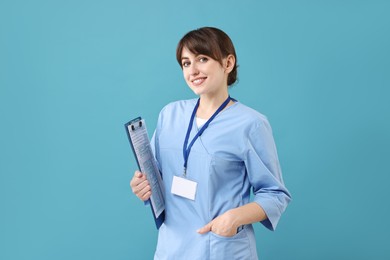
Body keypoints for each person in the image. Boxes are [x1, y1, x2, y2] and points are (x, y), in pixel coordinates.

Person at [130, 27, 291, 260]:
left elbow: (275, 195)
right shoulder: (170, 115)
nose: (193, 70)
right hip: (172, 249)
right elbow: (156, 176)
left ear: (228, 63)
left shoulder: (251, 124)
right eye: (186, 63)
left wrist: (235, 218)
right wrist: (141, 186)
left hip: (222, 249)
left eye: (202, 59)